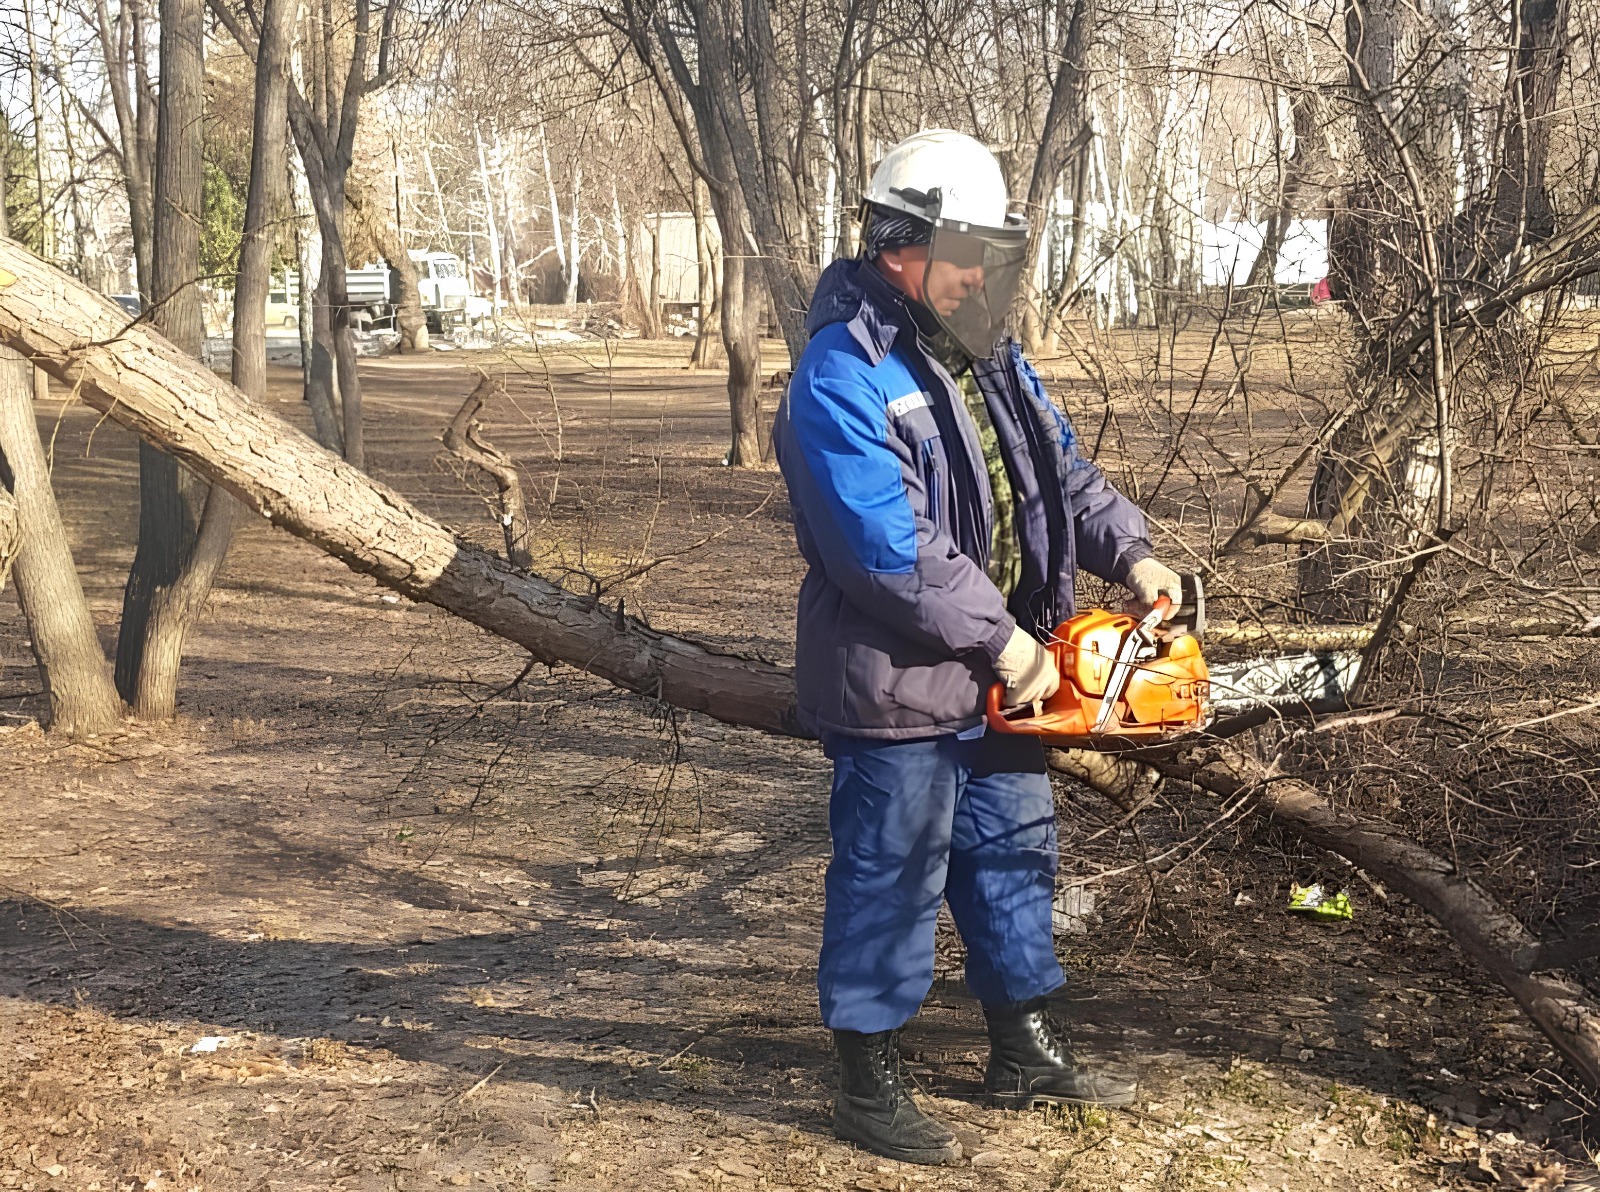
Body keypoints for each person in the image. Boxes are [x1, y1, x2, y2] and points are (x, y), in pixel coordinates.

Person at [772, 129, 1184, 1166]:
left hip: (1009, 672)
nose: (981, 273)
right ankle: (866, 1079)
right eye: (968, 251)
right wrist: (1003, 642)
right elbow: (885, 549)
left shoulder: (988, 352)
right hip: (901, 683)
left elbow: (1065, 476)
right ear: (900, 243)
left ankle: (1025, 1049)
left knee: (1013, 856)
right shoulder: (841, 373)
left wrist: (1132, 557)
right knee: (890, 874)